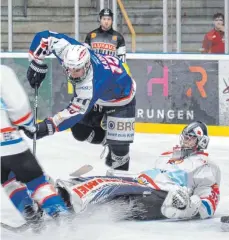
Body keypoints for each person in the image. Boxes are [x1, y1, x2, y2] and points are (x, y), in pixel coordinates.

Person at [55, 121, 221, 221]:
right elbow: (154, 175)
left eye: (191, 137)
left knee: (110, 186)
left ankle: (73, 200)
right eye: (185, 136)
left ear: (202, 141)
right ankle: (63, 191)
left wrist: (189, 204)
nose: (186, 140)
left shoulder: (206, 164)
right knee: (107, 180)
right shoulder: (168, 155)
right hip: (146, 184)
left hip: (163, 195)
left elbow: (208, 203)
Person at [25, 30, 136, 171]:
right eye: (68, 69)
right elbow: (45, 36)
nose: (71, 74)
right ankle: (107, 138)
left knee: (119, 155)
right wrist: (36, 62)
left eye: (76, 70)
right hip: (100, 95)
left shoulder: (94, 82)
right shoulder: (67, 50)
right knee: (80, 132)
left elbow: (74, 112)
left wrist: (46, 127)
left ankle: (116, 147)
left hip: (122, 98)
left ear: (86, 66)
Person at [0, 65, 68, 231]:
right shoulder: (2, 72)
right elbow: (19, 107)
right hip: (8, 141)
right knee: (36, 181)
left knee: (8, 181)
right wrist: (29, 126)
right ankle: (65, 223)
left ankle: (32, 218)